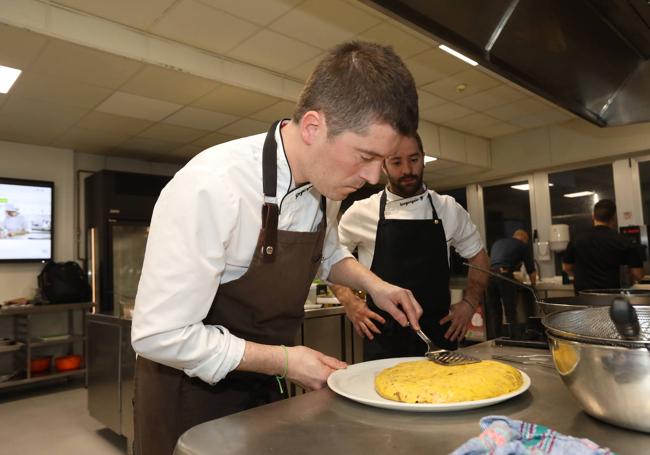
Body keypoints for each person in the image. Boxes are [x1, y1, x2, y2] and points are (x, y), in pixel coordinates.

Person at [131, 41, 423, 455]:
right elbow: (158, 335)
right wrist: (285, 361)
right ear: (312, 127)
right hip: (188, 398)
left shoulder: (326, 186)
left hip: (261, 388)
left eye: (383, 160)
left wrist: (374, 285)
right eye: (365, 156)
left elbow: (326, 253)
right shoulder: (212, 187)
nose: (375, 177)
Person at [330, 133, 489, 360]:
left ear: (423, 158)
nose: (407, 169)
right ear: (383, 165)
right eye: (396, 162)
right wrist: (349, 301)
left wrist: (470, 303)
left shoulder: (448, 209)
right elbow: (329, 257)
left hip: (439, 332)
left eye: (414, 159)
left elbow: (479, 257)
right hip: (383, 335)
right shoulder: (361, 212)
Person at [562, 199, 644, 293]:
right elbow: (638, 274)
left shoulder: (577, 239)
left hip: (583, 297)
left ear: (593, 216)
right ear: (614, 217)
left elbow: (567, 268)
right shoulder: (624, 241)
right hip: (611, 297)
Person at [485, 229, 537, 339]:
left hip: (489, 275)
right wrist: (533, 285)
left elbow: (492, 261)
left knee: (495, 310)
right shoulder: (522, 245)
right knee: (510, 310)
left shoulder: (498, 243)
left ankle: (496, 339)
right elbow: (531, 270)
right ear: (524, 239)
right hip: (504, 274)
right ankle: (515, 338)